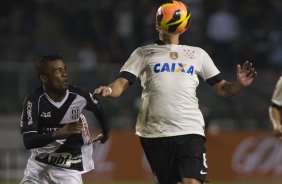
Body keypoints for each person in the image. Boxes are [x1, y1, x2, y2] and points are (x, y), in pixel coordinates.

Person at [94, 1, 257, 184]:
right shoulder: (143, 53)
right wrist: (109, 89)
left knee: (191, 182)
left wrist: (239, 84)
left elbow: (222, 88)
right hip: (153, 132)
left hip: (190, 128)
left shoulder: (197, 54)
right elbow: (122, 83)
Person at [20, 53, 109, 184]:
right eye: (58, 71)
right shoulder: (34, 100)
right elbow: (28, 141)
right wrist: (59, 133)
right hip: (38, 166)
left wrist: (106, 133)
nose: (65, 74)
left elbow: (97, 106)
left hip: (68, 168)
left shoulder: (79, 96)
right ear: (44, 78)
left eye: (65, 69)